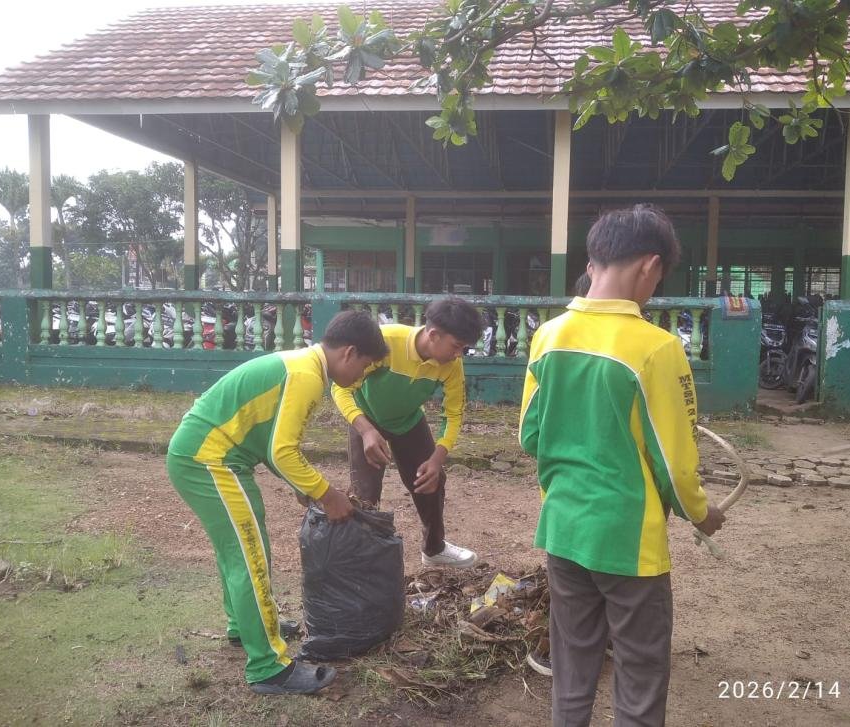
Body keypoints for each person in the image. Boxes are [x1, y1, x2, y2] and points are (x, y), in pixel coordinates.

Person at [519, 204, 726, 726]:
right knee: (639, 669)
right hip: (627, 538)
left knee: (572, 661)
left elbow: (530, 435)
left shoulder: (547, 337)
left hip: (563, 526)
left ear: (594, 262)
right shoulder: (657, 348)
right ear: (651, 266)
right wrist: (702, 514)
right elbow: (676, 464)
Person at [166, 311, 388, 695]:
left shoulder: (304, 366)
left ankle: (245, 626)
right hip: (210, 461)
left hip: (207, 457)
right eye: (365, 367)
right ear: (350, 353)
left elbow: (269, 439)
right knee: (249, 556)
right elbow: (283, 451)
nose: (362, 377)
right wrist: (326, 493)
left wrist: (303, 486)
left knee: (242, 550)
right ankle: (269, 668)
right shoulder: (305, 376)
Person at [332, 297, 484, 568]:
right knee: (364, 494)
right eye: (457, 346)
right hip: (366, 420)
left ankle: (434, 549)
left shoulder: (450, 365)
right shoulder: (386, 343)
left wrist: (438, 458)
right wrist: (365, 430)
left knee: (431, 482)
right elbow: (341, 387)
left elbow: (453, 413)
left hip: (408, 422)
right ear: (434, 335)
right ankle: (361, 560)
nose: (459, 354)